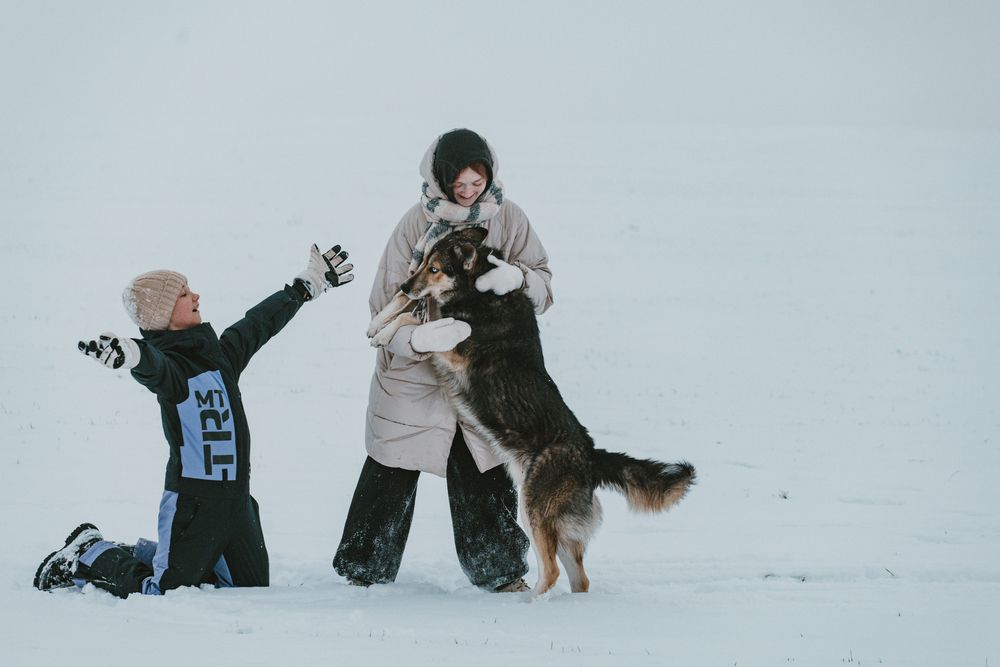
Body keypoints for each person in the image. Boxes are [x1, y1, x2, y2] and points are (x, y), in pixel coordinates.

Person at [33, 244, 355, 597]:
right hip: (192, 505)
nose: (195, 295)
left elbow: (258, 325)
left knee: (248, 590)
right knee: (164, 591)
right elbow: (153, 367)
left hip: (237, 501)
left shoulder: (219, 356)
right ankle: (90, 554)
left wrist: (305, 286)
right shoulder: (173, 370)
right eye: (184, 294)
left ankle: (147, 555)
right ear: (164, 314)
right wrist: (133, 354)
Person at [332, 128, 554, 592]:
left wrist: (517, 279)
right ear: (441, 180)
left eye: (478, 183)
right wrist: (416, 339)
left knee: (483, 468)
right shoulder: (415, 224)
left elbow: (543, 285)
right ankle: (364, 570)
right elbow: (383, 306)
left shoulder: (509, 219)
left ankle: (499, 572)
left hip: (483, 373)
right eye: (460, 186)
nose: (470, 193)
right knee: (391, 466)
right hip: (414, 377)